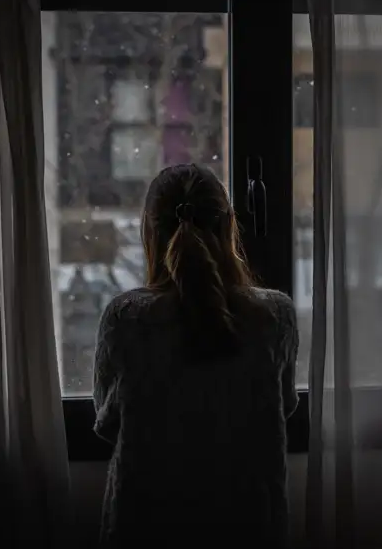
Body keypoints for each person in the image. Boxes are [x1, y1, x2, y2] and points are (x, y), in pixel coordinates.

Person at [93, 163, 299, 548]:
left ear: (150, 232)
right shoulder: (276, 316)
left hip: (147, 522)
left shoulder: (127, 318)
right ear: (229, 226)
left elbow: (107, 423)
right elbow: (282, 406)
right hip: (250, 523)